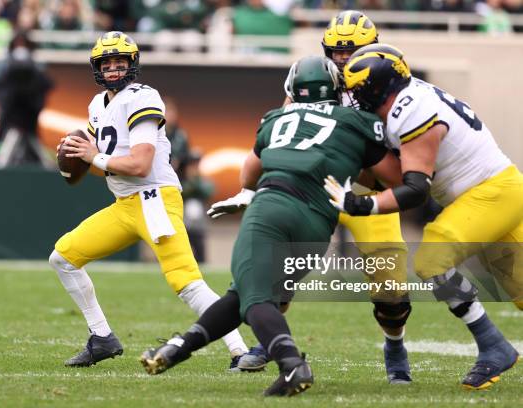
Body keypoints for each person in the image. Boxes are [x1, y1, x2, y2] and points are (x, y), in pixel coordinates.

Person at [140, 56, 402, 397]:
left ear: (293, 90)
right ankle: (178, 347)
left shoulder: (276, 118)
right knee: (243, 295)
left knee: (255, 298)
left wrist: (249, 191)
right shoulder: (357, 121)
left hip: (274, 207)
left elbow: (249, 172)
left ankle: (292, 364)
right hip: (318, 226)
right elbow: (394, 178)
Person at [326, 43, 522, 389]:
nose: (355, 98)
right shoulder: (405, 98)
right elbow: (387, 173)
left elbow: (414, 189)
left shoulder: (410, 110)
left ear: (378, 88)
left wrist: (363, 204)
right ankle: (495, 346)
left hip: (491, 194)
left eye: (360, 91)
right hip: (491, 193)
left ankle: (494, 346)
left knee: (432, 257)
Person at [50, 31, 248, 369]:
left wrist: (93, 155)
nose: (113, 68)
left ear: (132, 64)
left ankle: (241, 351)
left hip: (154, 199)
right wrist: (80, 157)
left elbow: (140, 165)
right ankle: (102, 338)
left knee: (186, 282)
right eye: (107, 63)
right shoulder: (98, 104)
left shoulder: (142, 97)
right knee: (63, 258)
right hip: (125, 204)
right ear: (97, 67)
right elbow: (109, 168)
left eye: (120, 62)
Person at [237, 10, 413, 385]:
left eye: (353, 52)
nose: (344, 61)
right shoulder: (313, 80)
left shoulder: (391, 83)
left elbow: (399, 152)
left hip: (369, 194)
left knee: (391, 291)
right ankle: (269, 342)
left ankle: (394, 345)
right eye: (337, 52)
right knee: (281, 268)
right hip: (315, 188)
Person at [0, 30, 54, 168]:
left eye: (24, 44)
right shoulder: (2, 65)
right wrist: (6, 99)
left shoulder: (37, 66)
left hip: (30, 116)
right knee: (2, 147)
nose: (20, 47)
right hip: (9, 115)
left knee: (36, 150)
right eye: (17, 44)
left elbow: (47, 85)